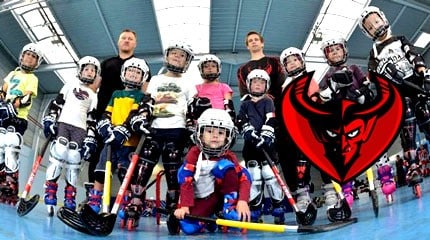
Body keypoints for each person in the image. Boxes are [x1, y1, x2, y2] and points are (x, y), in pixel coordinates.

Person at [134, 42, 196, 228]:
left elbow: (192, 108)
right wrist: (142, 117)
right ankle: (136, 204)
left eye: (182, 55)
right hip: (155, 127)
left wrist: (193, 124)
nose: (177, 57)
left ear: (187, 61)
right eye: (174, 54)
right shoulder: (155, 80)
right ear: (167, 56)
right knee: (144, 165)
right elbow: (147, 101)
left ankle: (172, 209)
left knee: (172, 166)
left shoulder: (188, 83)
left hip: (177, 128)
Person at [86, 57, 153, 229]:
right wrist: (105, 125)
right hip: (110, 141)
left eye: (137, 73)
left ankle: (124, 204)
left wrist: (124, 129)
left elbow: (135, 115)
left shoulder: (143, 96)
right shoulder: (116, 94)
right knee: (100, 171)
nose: (133, 74)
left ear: (142, 78)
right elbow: (107, 112)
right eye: (130, 71)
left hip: (130, 143)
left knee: (126, 176)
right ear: (124, 73)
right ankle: (95, 201)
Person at [358, 6, 430, 164]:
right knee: (407, 113)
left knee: (425, 113)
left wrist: (424, 74)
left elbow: (413, 55)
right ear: (367, 33)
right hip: (398, 92)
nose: (375, 26)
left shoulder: (400, 39)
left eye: (376, 21)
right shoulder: (374, 53)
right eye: (370, 27)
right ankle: (411, 161)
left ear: (383, 18)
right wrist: (365, 86)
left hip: (414, 83)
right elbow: (372, 74)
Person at [318, 37, 375, 217]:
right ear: (327, 56)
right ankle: (348, 188)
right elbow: (324, 99)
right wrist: (331, 89)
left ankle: (379, 179)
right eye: (330, 51)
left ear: (344, 51)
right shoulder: (327, 76)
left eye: (337, 49)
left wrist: (360, 94)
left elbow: (367, 87)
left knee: (371, 149)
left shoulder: (354, 68)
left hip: (359, 115)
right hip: (342, 120)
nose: (335, 52)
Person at [172, 108, 251, 235]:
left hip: (221, 195)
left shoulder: (229, 156)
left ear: (227, 137)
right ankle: (211, 219)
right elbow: (186, 180)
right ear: (200, 134)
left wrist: (242, 201)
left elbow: (244, 178)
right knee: (189, 228)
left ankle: (228, 207)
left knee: (226, 166)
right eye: (209, 131)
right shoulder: (194, 153)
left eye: (220, 133)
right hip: (203, 198)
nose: (215, 136)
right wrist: (184, 206)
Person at [87, 28, 152, 183]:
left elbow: (146, 93)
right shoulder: (107, 63)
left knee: (125, 161)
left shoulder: (141, 66)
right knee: (98, 155)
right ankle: (93, 197)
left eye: (130, 38)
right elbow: (93, 88)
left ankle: (124, 199)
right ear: (118, 41)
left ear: (135, 44)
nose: (127, 40)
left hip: (128, 121)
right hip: (104, 117)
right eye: (124, 38)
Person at [41, 56, 100, 215]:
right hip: (64, 123)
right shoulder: (70, 85)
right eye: (86, 69)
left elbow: (91, 118)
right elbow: (57, 104)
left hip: (80, 128)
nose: (89, 72)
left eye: (93, 70)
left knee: (74, 159)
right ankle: (50, 193)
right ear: (80, 70)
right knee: (59, 153)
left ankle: (69, 198)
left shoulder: (94, 96)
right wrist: (51, 118)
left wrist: (91, 136)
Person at [278, 47, 321, 223]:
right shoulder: (285, 86)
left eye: (294, 59)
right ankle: (301, 190)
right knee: (289, 152)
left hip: (311, 123)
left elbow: (315, 101)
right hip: (294, 126)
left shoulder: (310, 79)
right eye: (287, 62)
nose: (291, 63)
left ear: (302, 60)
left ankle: (329, 188)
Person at [236, 69, 284, 224]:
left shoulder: (268, 101)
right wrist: (249, 132)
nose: (258, 84)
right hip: (250, 147)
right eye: (255, 82)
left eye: (261, 82)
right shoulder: (245, 104)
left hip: (267, 146)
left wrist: (265, 135)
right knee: (254, 177)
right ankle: (256, 209)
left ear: (266, 85)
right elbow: (241, 120)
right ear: (249, 85)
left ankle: (278, 208)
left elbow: (271, 119)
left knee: (270, 175)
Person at [0, 43, 43, 204]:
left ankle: (11, 183)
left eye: (33, 57)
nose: (29, 58)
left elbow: (27, 97)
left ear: (36, 62)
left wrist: (12, 105)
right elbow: (3, 90)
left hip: (18, 118)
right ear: (22, 56)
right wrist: (2, 103)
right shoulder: (12, 74)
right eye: (28, 54)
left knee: (11, 144)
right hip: (3, 114)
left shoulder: (32, 78)